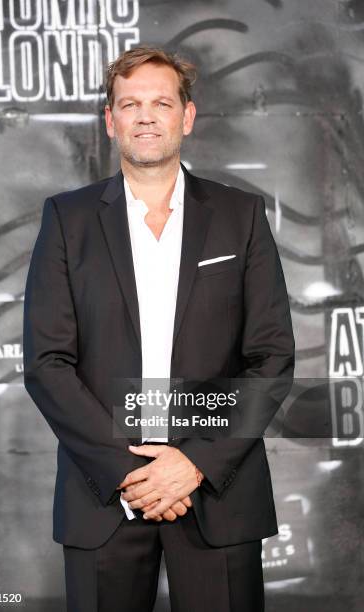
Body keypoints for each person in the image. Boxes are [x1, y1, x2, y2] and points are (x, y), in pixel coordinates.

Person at [23, 45, 295, 612]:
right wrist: (131, 472)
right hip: (103, 496)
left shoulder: (241, 216)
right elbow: (48, 363)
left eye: (161, 102)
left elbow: (269, 357)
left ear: (186, 117)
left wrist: (193, 462)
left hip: (219, 490)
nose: (145, 116)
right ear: (110, 120)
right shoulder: (67, 220)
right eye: (130, 104)